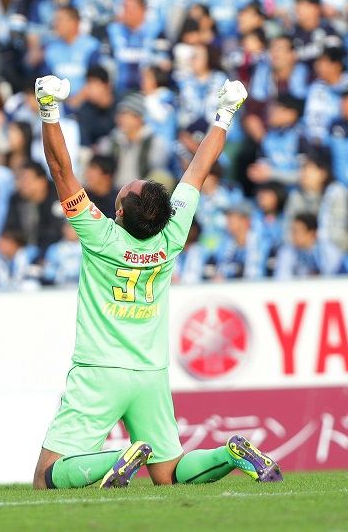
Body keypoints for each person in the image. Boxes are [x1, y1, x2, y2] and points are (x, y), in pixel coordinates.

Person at [31, 74, 282, 490]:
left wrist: (47, 108)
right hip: (150, 372)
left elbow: (60, 168)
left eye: (126, 190)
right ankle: (228, 453)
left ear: (121, 214)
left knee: (45, 479)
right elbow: (200, 168)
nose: (127, 184)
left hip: (100, 371)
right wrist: (225, 114)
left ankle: (118, 457)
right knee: (169, 473)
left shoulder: (101, 236)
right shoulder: (172, 233)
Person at [274, 212, 343, 279]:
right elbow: (282, 279)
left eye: (298, 231)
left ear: (312, 233)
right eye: (293, 231)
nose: (294, 235)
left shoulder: (330, 252)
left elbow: (333, 279)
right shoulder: (286, 253)